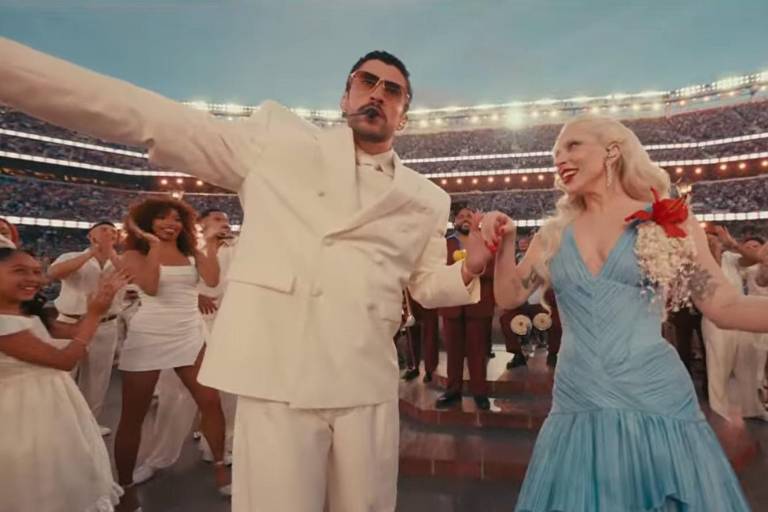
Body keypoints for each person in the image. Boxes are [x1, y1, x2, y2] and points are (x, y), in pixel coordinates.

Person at [0, 40, 493, 511]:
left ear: (403, 115)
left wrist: (469, 265)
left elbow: (427, 283)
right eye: (367, 82)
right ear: (345, 97)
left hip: (366, 381)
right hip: (280, 377)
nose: (378, 93)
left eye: (393, 90)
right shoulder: (278, 143)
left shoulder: (427, 198)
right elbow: (152, 118)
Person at [483, 115, 768, 511]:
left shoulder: (668, 219)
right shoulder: (553, 234)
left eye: (572, 146)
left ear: (612, 151)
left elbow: (724, 305)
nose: (560, 159)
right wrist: (506, 243)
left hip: (655, 396)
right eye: (556, 153)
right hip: (578, 397)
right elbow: (510, 294)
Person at [115, 197, 228, 510]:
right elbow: (150, 287)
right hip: (148, 336)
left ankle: (220, 467)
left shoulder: (190, 251)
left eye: (177, 219)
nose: (171, 224)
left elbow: (212, 280)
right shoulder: (134, 254)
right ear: (147, 223)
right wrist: (153, 246)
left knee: (210, 401)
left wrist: (209, 246)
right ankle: (125, 486)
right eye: (163, 218)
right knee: (132, 416)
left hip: (188, 333)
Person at [0, 247, 127, 512]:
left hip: (50, 403)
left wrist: (99, 304)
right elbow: (66, 360)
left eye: (36, 272)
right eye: (19, 271)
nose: (32, 279)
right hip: (21, 411)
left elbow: (75, 332)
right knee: (35, 476)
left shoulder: (26, 314)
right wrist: (94, 314)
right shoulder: (4, 326)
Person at [48, 220, 124, 436]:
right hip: (70, 322)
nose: (110, 233)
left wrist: (110, 253)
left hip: (105, 324)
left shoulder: (120, 260)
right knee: (62, 375)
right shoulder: (71, 256)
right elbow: (54, 273)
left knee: (98, 379)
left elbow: (132, 275)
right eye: (104, 230)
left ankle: (89, 424)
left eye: (114, 232)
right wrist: (91, 253)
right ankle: (55, 421)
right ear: (91, 236)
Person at [701, 227, 768, 421]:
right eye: (708, 237)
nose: (713, 240)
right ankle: (719, 411)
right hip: (715, 318)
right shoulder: (697, 260)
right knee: (719, 365)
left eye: (715, 237)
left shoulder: (730, 257)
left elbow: (757, 258)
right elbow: (711, 280)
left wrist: (732, 243)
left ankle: (753, 409)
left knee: (747, 363)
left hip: (739, 315)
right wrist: (712, 250)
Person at [437, 207, 494, 410]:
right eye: (461, 216)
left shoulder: (486, 242)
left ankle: (480, 392)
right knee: (453, 352)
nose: (465, 219)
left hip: (477, 304)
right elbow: (437, 271)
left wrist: (472, 268)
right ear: (455, 222)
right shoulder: (445, 244)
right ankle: (453, 390)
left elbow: (493, 269)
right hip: (452, 304)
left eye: (469, 216)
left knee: (477, 351)